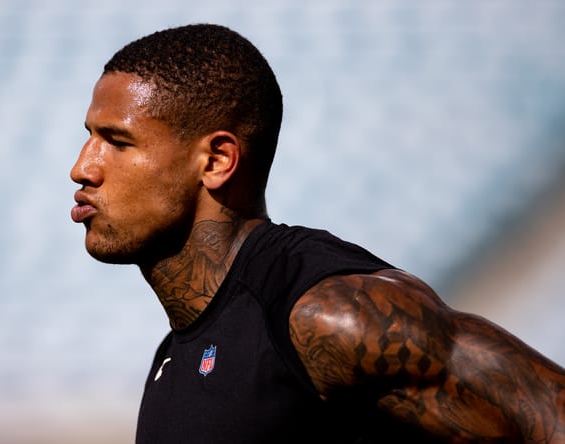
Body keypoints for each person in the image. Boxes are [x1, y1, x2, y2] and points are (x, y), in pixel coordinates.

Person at [69, 23, 565, 443]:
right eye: (89, 137)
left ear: (217, 160)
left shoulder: (327, 314)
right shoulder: (176, 355)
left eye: (116, 141)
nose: (82, 168)